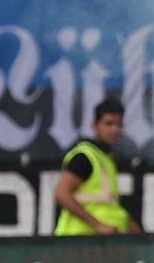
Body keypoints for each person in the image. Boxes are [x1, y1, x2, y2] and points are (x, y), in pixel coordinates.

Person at [53, 98, 141, 235]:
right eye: (108, 124)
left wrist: (137, 233)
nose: (114, 130)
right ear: (95, 125)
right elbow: (61, 194)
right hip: (78, 243)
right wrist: (98, 225)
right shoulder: (85, 157)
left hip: (98, 245)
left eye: (119, 125)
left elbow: (109, 206)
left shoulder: (106, 159)